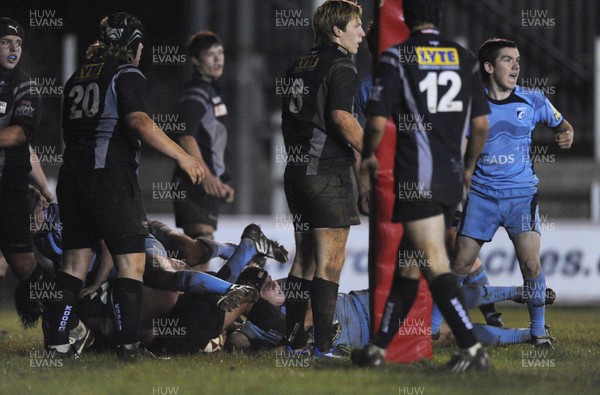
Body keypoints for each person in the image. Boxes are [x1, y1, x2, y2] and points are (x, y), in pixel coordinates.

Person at [43, 12, 204, 360]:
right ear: (134, 45)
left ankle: (56, 344)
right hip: (111, 181)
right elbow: (139, 121)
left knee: (72, 265)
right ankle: (129, 348)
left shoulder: (75, 78)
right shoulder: (127, 72)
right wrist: (183, 157)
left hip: (72, 179)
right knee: (131, 265)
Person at [353, 0, 491, 372]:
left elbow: (378, 122)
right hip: (449, 177)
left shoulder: (397, 57)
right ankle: (378, 351)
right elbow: (480, 126)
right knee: (409, 267)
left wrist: (367, 158)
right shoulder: (465, 58)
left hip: (418, 178)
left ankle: (473, 350)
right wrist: (467, 168)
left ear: (407, 18)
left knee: (431, 261)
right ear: (440, 16)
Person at [451, 38, 574, 349]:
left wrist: (566, 136)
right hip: (482, 196)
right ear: (490, 67)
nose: (516, 66)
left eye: (518, 59)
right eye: (508, 60)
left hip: (521, 196)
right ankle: (434, 328)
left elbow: (564, 127)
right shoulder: (471, 105)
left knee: (531, 264)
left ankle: (538, 332)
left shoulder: (533, 101)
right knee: (460, 266)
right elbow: (462, 153)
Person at [281, 0, 365, 357]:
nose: (362, 33)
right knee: (330, 262)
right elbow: (342, 118)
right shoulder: (342, 64)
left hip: (297, 171)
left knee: (304, 260)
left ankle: (293, 342)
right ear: (337, 31)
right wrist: (374, 153)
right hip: (327, 172)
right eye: (356, 26)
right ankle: (323, 349)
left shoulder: (299, 63)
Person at [0, 17, 50, 296]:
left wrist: (45, 189)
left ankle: (63, 320)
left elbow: (19, 137)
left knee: (23, 263)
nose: (13, 48)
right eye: (6, 41)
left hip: (9, 190)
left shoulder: (25, 86)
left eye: (18, 43)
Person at [172, 31, 234, 241]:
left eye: (220, 53)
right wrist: (206, 175)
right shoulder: (195, 93)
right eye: (210, 54)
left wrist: (220, 180)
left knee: (200, 256)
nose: (218, 59)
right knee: (199, 252)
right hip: (193, 184)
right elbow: (185, 137)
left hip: (205, 183)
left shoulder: (211, 92)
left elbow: (211, 142)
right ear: (196, 61)